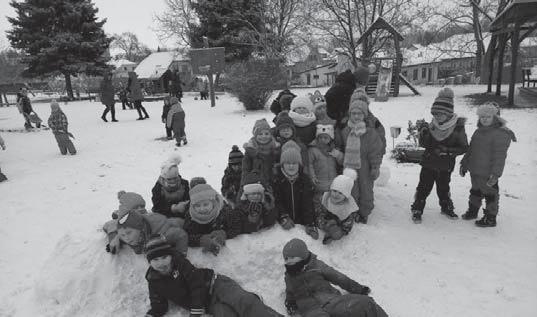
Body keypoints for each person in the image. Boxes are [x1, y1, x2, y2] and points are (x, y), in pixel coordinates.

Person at [143, 235, 283, 317]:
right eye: (155, 260)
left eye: (164, 257)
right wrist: (152, 313)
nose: (161, 263)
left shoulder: (180, 264)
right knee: (227, 314)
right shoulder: (154, 281)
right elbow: (158, 304)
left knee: (243, 302)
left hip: (216, 285)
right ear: (149, 262)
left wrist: (196, 308)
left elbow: (196, 284)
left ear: (171, 256)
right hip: (209, 304)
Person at [282, 239, 388, 317]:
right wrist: (291, 306)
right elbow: (290, 294)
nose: (288, 261)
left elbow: (338, 277)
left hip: (333, 302)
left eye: (292, 257)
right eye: (286, 258)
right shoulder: (289, 277)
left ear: (303, 255)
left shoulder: (317, 266)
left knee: (366, 303)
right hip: (312, 311)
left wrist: (358, 288)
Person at [410, 88, 468, 223]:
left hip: (445, 165)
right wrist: (423, 133)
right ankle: (417, 207)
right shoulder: (432, 125)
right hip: (429, 163)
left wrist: (447, 150)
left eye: (440, 114)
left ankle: (446, 206)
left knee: (443, 187)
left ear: (448, 114)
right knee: (424, 187)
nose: (437, 116)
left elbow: (464, 147)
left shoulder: (457, 128)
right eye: (434, 113)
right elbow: (425, 144)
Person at [459, 102, 516, 227]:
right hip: (475, 170)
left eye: (488, 117)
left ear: (496, 118)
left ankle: (490, 217)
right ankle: (473, 211)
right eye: (482, 117)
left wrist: (495, 174)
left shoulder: (500, 134)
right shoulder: (478, 132)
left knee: (490, 194)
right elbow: (471, 150)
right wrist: (464, 164)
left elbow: (500, 157)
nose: (484, 119)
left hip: (488, 173)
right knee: (475, 191)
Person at [337, 90, 384, 224]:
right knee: (351, 190)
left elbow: (375, 151)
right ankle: (352, 211)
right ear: (350, 114)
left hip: (365, 166)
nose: (356, 116)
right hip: (349, 167)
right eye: (354, 113)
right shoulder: (345, 131)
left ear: (364, 115)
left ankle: (364, 212)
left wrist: (375, 167)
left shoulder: (370, 133)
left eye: (359, 113)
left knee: (366, 191)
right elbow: (341, 147)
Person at [102, 191, 188, 256]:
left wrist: (180, 255)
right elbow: (110, 225)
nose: (140, 209)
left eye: (142, 206)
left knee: (179, 222)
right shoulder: (125, 228)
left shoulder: (159, 233)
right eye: (136, 208)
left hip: (163, 222)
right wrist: (114, 238)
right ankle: (118, 208)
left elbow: (180, 235)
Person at [273, 141, 318, 239]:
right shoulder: (277, 180)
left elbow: (308, 203)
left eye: (294, 163)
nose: (291, 166)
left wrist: (309, 223)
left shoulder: (304, 180)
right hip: (284, 225)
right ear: (282, 164)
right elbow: (277, 201)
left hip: (301, 221)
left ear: (299, 165)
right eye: (287, 163)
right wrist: (283, 217)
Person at [183, 184, 241, 256]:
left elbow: (236, 226)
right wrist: (200, 240)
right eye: (197, 206)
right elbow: (186, 235)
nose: (202, 209)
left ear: (213, 202)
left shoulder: (224, 211)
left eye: (206, 204)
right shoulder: (190, 216)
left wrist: (224, 233)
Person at [308, 124, 344, 218]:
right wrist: (312, 176)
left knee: (330, 200)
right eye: (321, 137)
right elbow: (309, 164)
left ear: (330, 139)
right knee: (318, 200)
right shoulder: (313, 150)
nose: (323, 140)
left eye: (326, 137)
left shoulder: (333, 150)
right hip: (319, 181)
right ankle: (318, 215)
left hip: (332, 182)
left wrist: (339, 155)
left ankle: (330, 215)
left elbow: (342, 162)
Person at [318, 175, 358, 244]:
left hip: (340, 224)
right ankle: (329, 229)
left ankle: (332, 234)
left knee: (337, 233)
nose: (336, 194)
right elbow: (321, 212)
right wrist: (324, 222)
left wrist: (342, 230)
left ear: (346, 195)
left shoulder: (347, 207)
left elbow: (348, 223)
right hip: (327, 221)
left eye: (340, 193)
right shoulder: (327, 199)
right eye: (334, 191)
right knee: (319, 220)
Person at [242, 118, 280, 188]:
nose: (264, 136)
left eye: (266, 133)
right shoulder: (250, 151)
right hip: (256, 186)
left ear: (270, 134)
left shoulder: (276, 149)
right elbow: (245, 171)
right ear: (255, 136)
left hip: (274, 185)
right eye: (260, 134)